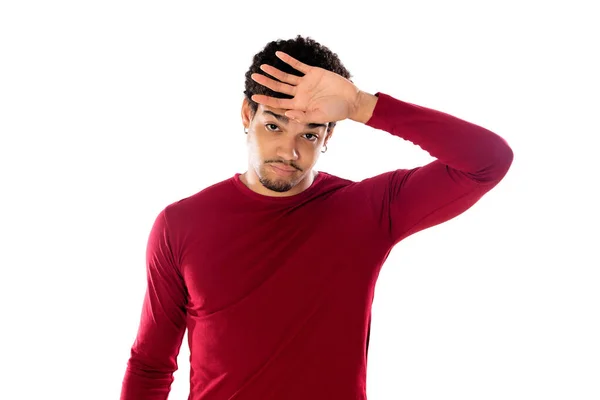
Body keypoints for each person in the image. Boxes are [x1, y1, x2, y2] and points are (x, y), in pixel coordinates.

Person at [120, 35, 513, 400]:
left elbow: (488, 161)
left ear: (328, 137)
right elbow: (151, 365)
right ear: (247, 114)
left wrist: (362, 105)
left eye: (309, 134)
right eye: (273, 125)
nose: (289, 151)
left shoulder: (367, 209)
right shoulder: (180, 224)